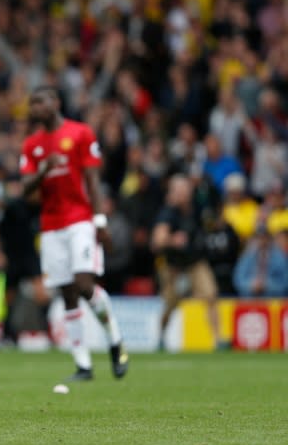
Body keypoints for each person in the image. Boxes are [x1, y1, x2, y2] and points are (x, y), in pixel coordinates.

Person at [19, 86, 128, 381]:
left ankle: (115, 339)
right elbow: (25, 188)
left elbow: (93, 180)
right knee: (66, 292)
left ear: (55, 102)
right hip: (51, 225)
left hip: (80, 219)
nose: (35, 108)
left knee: (84, 284)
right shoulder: (32, 145)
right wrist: (43, 170)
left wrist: (100, 220)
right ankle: (83, 365)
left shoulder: (80, 133)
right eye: (32, 104)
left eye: (40, 101)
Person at [151, 174, 222, 349]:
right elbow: (157, 242)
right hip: (174, 267)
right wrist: (172, 240)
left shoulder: (198, 207)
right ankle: (161, 337)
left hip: (195, 262)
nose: (183, 194)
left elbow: (213, 214)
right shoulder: (168, 213)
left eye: (185, 190)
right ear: (173, 193)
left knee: (211, 295)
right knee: (171, 304)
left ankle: (219, 340)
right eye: (179, 191)